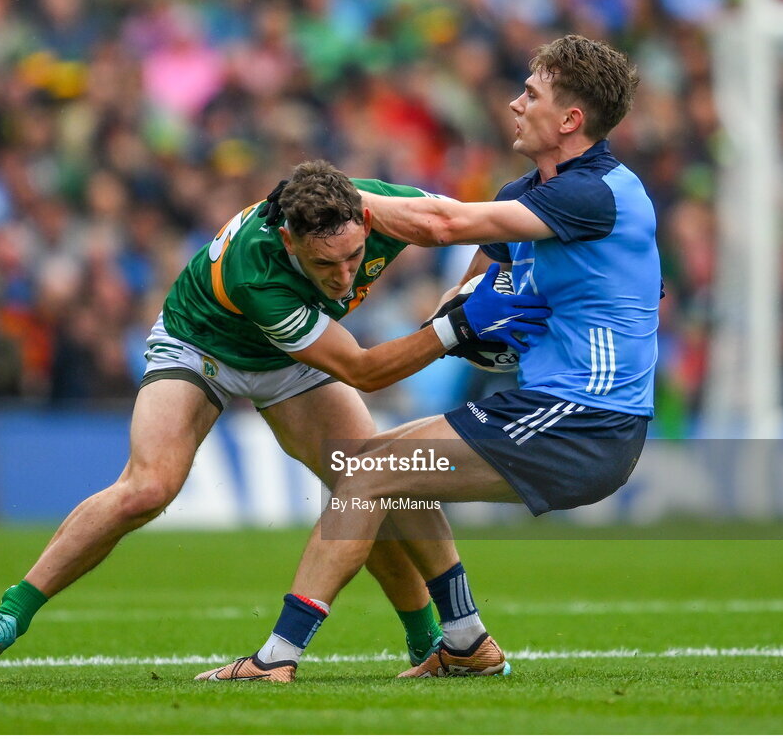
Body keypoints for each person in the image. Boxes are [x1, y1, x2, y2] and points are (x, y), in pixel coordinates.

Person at [0, 160, 552, 666]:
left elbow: (472, 230)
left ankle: (429, 645)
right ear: (289, 240)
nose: (344, 279)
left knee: (370, 480)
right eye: (325, 267)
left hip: (295, 353)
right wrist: (454, 328)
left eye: (354, 259)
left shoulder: (387, 208)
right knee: (149, 486)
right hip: (203, 345)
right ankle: (9, 614)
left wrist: (475, 286)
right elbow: (364, 370)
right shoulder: (255, 267)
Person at [199, 34, 660, 683]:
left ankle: (277, 655)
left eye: (530, 93)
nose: (513, 102)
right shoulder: (532, 193)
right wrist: (469, 317)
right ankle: (467, 640)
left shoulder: (593, 194)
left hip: (584, 420)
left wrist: (330, 198)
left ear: (570, 120)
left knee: (368, 472)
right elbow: (466, 291)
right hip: (557, 412)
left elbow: (442, 226)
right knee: (393, 469)